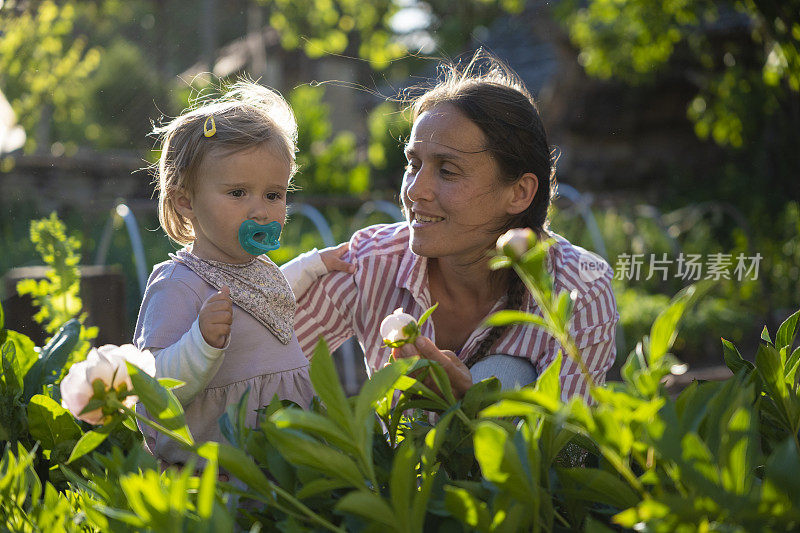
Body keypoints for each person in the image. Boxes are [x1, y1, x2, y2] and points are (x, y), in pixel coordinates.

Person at [285, 51, 618, 401]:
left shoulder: (578, 289)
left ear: (519, 192)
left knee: (505, 373)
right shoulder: (371, 262)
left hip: (513, 456)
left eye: (447, 171)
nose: (415, 190)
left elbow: (565, 447)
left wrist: (470, 406)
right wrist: (286, 279)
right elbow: (261, 367)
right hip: (396, 457)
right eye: (413, 164)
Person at [133, 81, 351, 466]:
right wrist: (200, 342)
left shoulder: (257, 269)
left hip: (284, 458)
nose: (261, 211)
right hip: (223, 468)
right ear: (186, 200)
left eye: (273, 195)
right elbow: (154, 387)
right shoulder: (178, 284)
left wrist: (312, 265)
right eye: (238, 193)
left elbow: (261, 298)